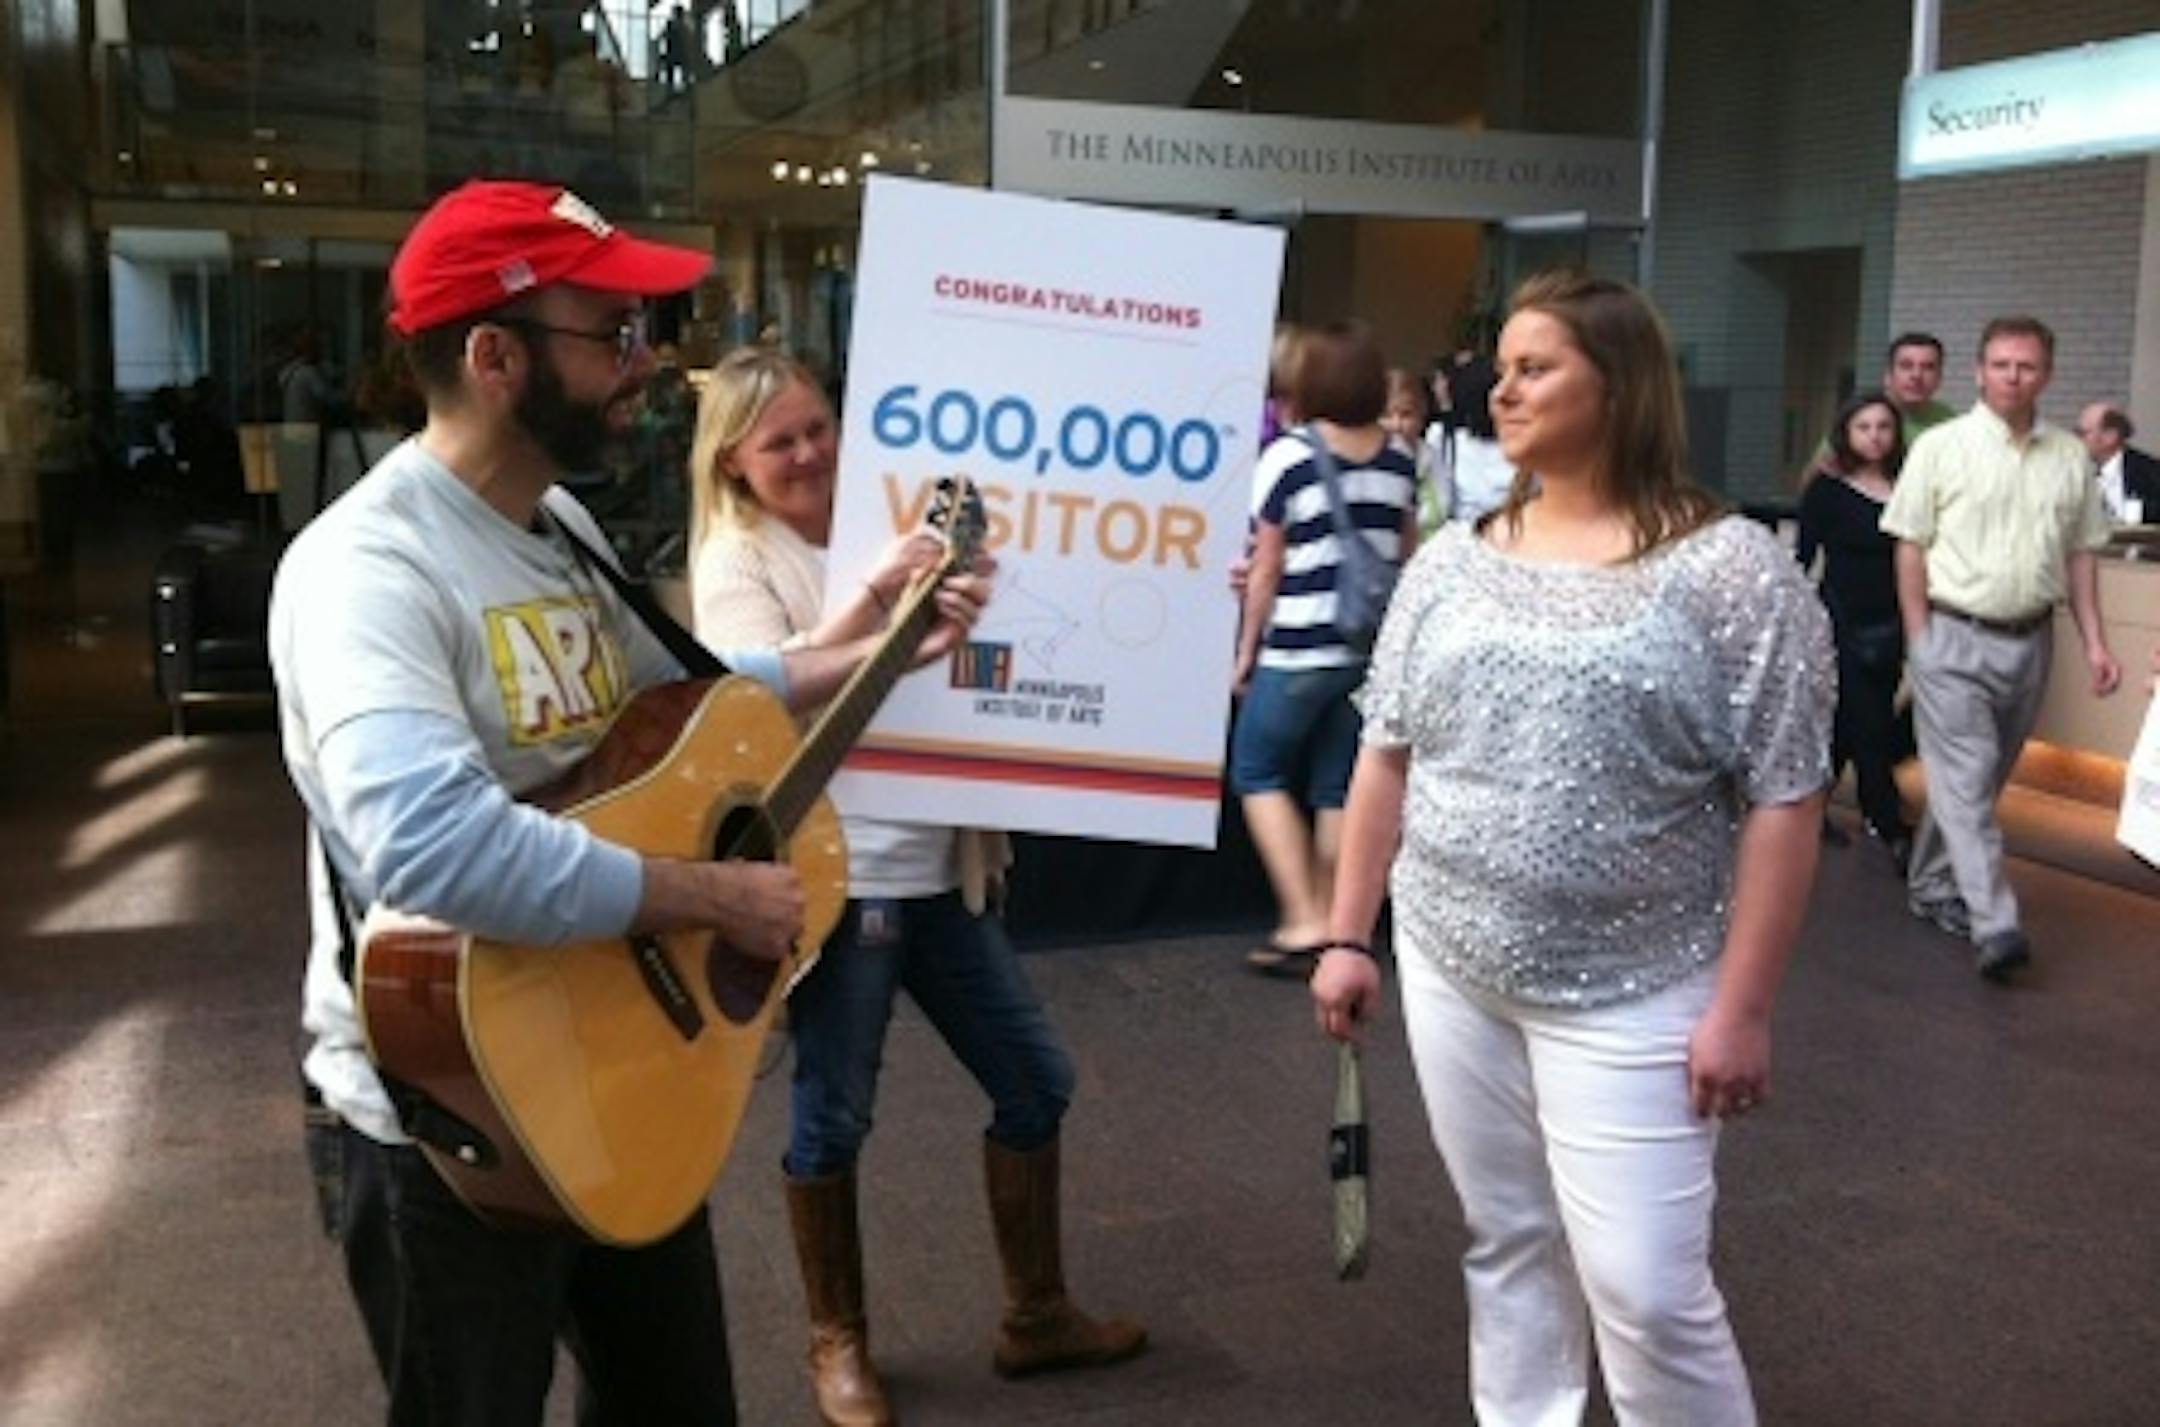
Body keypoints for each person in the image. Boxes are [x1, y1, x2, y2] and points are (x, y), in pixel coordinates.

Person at [268, 180, 988, 1426]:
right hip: (448, 1114)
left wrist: (874, 633)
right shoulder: (365, 568)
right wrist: (708, 892)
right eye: (612, 335)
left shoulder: (553, 522)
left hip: (609, 1057)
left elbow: (689, 705)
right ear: (494, 356)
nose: (647, 365)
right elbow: (428, 841)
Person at [1311, 270, 1833, 1426]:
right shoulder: (1453, 557)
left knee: (1647, 1284)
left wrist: (1742, 1009)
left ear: (1622, 383)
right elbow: (1386, 749)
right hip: (1452, 957)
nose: (1501, 388)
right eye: (1499, 367)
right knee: (1506, 1238)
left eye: (1534, 366)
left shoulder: (1730, 567)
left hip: (1640, 977)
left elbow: (1789, 797)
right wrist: (1351, 933)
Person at [687, 347, 1144, 1427]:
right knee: (833, 1113)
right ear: (736, 464)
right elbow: (754, 702)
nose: (807, 452)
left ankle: (1035, 1311)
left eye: (816, 426)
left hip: (944, 862)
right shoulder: (736, 557)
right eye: (778, 440)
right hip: (838, 877)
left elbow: (1036, 603)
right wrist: (876, 600)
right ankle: (836, 1341)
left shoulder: (905, 509)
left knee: (1036, 1078)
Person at [1882, 316, 2122, 980]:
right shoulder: (1941, 448)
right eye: (2000, 365)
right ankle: (1996, 921)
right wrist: (1919, 636)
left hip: (2031, 639)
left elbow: (2080, 555)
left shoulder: (2071, 458)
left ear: (2046, 374)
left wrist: (2096, 641)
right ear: (1980, 372)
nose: (2013, 377)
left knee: (1977, 782)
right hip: (1952, 636)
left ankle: (1932, 885)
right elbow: (1909, 544)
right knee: (1967, 772)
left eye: (2027, 366)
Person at [1232, 319, 1419, 977]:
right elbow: (1406, 555)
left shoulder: (1287, 456)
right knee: (1339, 783)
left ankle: (1303, 917)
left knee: (1255, 768)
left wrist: (1246, 651)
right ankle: (1342, 924)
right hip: (1366, 652)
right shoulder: (1402, 459)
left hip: (1298, 648)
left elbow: (1266, 567)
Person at [1797, 391, 1914, 867]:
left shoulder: (1909, 487)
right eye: (1863, 427)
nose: (1874, 436)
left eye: (1883, 427)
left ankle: (1809, 804)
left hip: (1895, 619)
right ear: (1845, 433)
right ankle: (1885, 818)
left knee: (1852, 721)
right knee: (1868, 720)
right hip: (1840, 619)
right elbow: (1803, 557)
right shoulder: (1826, 489)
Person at [1807, 332, 1956, 476]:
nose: (1916, 375)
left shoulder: (1950, 421)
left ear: (1939, 377)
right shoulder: (1861, 415)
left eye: (1928, 367)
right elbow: (1814, 479)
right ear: (1888, 375)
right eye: (1906, 366)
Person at [2076, 402, 2160, 525]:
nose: (2077, 440)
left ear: (2110, 436)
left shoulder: (2150, 473)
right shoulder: (2074, 471)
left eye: (2083, 433)